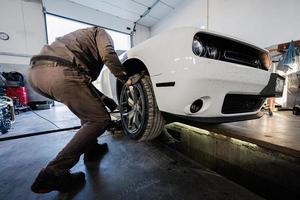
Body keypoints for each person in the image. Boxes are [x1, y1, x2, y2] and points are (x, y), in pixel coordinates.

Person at [28, 27, 128, 193]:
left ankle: (91, 148)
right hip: (58, 72)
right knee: (99, 119)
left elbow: (83, 85)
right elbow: (108, 54)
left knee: (88, 113)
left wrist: (108, 101)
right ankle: (54, 173)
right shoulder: (100, 32)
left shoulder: (77, 40)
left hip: (37, 75)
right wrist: (125, 78)